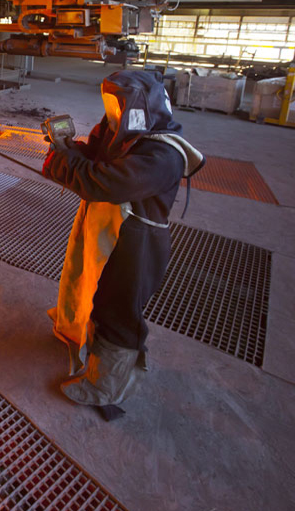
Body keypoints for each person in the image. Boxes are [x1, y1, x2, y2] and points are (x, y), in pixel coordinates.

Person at [41, 70, 204, 420]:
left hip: (137, 245)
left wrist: (63, 163)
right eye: (109, 104)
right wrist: (70, 149)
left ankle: (106, 384)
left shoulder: (163, 155)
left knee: (118, 312)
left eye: (118, 105)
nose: (113, 113)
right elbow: (97, 159)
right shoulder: (126, 134)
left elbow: (107, 182)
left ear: (140, 107)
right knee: (88, 287)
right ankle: (79, 336)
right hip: (108, 230)